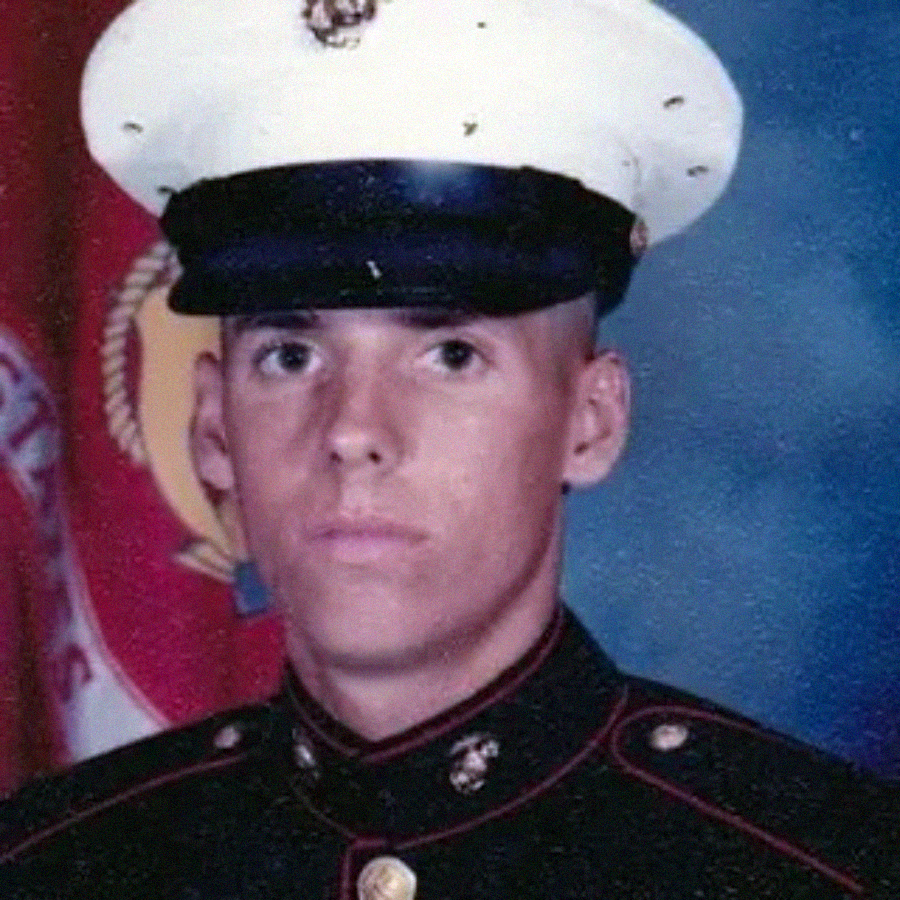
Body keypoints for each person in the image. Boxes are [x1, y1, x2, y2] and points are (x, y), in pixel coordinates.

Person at [0, 0, 896, 897]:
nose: (353, 431)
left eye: (451, 354)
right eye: (290, 355)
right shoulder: (52, 865)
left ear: (590, 420)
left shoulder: (824, 866)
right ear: (212, 429)